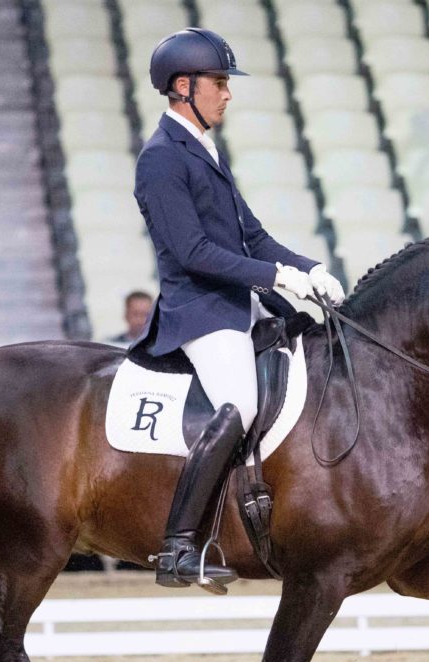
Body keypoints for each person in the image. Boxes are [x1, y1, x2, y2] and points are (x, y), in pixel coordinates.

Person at [135, 27, 346, 590]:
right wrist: (275, 276)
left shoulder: (204, 149)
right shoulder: (160, 159)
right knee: (239, 405)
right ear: (184, 86)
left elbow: (252, 236)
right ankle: (179, 547)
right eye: (219, 82)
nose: (227, 94)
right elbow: (192, 253)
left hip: (237, 302)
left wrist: (310, 271)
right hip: (200, 309)